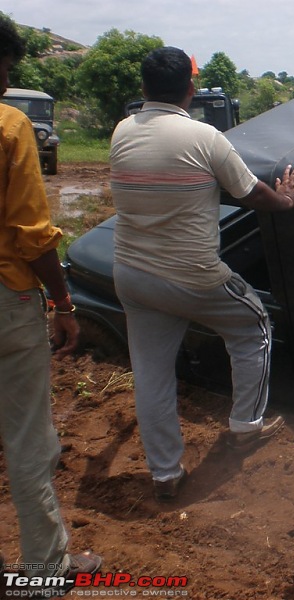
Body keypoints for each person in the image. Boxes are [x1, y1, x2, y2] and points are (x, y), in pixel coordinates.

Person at [110, 46, 294, 501]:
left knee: (152, 374)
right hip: (193, 274)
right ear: (191, 90)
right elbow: (252, 192)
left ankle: (165, 473)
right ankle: (245, 427)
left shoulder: (121, 132)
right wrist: (287, 200)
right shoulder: (205, 137)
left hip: (133, 274)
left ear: (143, 89)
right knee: (253, 324)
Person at [0, 14, 102, 595]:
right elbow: (33, 234)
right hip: (8, 298)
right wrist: (62, 302)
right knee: (28, 438)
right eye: (6, 67)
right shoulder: (10, 127)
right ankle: (45, 570)